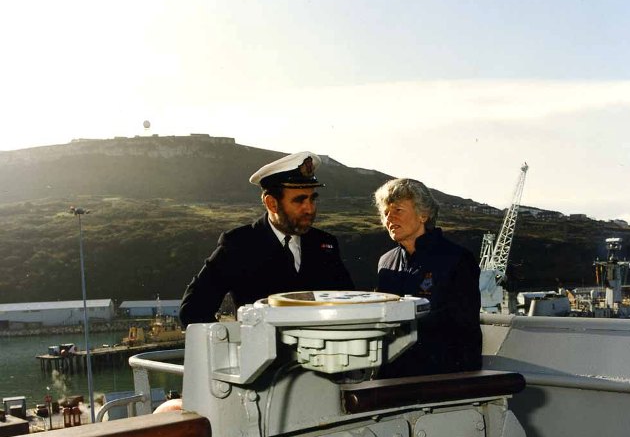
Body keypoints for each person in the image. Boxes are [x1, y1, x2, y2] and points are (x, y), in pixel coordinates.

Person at [180, 151, 353, 326]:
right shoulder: (239, 246)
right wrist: (237, 342)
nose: (309, 209)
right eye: (299, 201)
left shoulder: (325, 244)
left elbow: (349, 305)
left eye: (312, 199)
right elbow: (193, 310)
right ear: (272, 203)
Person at [374, 177, 482, 377]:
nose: (389, 219)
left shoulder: (457, 259)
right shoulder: (386, 263)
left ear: (423, 214)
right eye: (386, 213)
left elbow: (462, 323)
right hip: (393, 371)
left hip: (444, 373)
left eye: (398, 210)